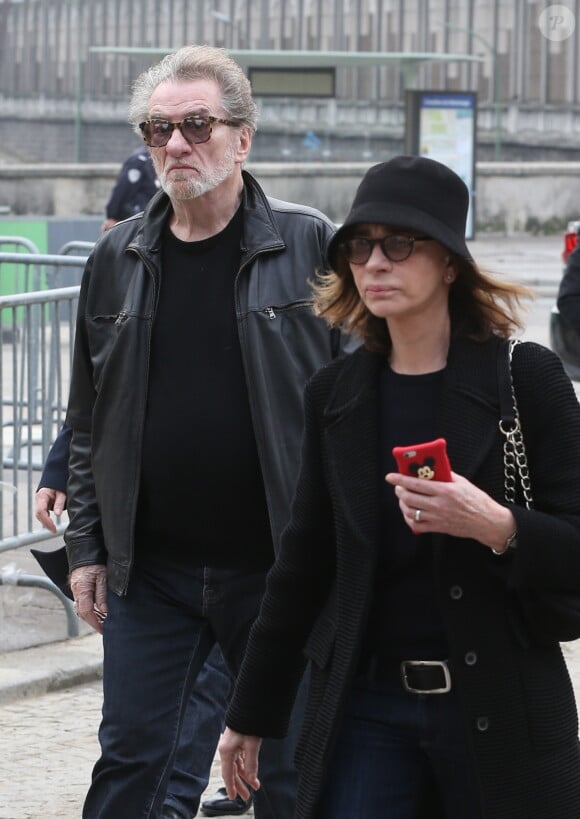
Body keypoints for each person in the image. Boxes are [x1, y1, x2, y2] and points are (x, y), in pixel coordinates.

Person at [220, 155, 580, 819]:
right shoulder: (336, 394)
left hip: (499, 707)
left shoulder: (524, 379)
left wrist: (500, 527)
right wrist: (250, 715)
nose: (375, 262)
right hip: (368, 710)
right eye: (360, 245)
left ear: (449, 262)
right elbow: (302, 566)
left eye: (400, 243)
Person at [62, 43, 348, 819]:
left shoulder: (309, 245)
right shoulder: (116, 257)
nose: (176, 145)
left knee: (291, 774)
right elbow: (89, 418)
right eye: (158, 129)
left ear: (242, 137)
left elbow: (357, 410)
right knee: (133, 768)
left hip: (278, 568)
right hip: (152, 574)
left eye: (196, 125)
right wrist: (87, 549)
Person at [33, 429, 251, 819]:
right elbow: (98, 390)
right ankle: (172, 803)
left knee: (229, 688)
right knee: (146, 725)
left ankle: (199, 791)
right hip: (153, 545)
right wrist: (59, 468)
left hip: (252, 540)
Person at [101, 145, 160, 231]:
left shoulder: (138, 160)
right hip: (150, 218)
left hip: (137, 220)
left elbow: (122, 188)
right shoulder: (146, 159)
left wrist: (112, 215)